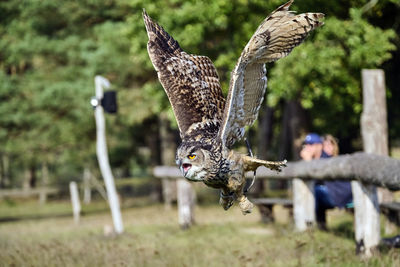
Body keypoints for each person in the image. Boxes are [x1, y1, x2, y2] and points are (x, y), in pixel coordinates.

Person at [300, 133, 353, 230]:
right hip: (333, 194)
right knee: (315, 190)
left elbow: (316, 176)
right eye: (306, 145)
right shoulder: (316, 159)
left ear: (319, 146)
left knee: (315, 191)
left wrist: (307, 161)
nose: (307, 147)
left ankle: (308, 226)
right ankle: (320, 226)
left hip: (342, 196)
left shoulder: (326, 159)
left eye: (311, 145)